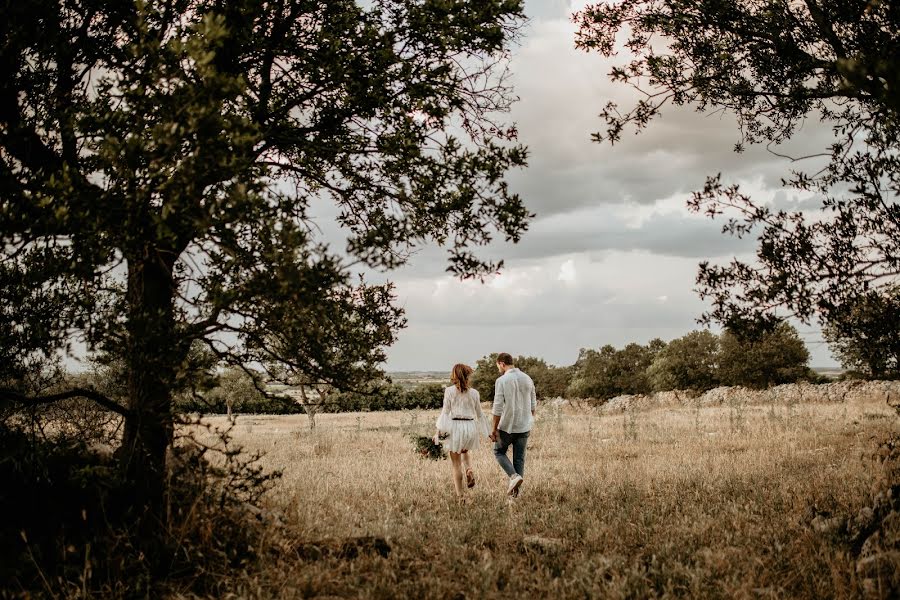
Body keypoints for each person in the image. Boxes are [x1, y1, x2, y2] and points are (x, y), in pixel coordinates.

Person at [435, 363, 489, 499]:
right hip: (470, 427)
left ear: (454, 376)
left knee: (456, 464)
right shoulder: (475, 393)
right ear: (467, 376)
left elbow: (445, 413)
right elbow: (480, 414)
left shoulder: (449, 391)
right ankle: (469, 469)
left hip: (456, 427)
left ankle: (461, 496)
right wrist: (488, 431)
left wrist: (438, 432)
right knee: (465, 450)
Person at [489, 352, 535, 499]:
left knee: (498, 452)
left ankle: (513, 476)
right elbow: (533, 406)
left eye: (498, 366)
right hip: (524, 425)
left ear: (502, 363)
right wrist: (527, 420)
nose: (498, 369)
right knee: (519, 459)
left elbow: (497, 408)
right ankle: (515, 496)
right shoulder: (528, 379)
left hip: (507, 426)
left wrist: (494, 428)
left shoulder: (502, 380)